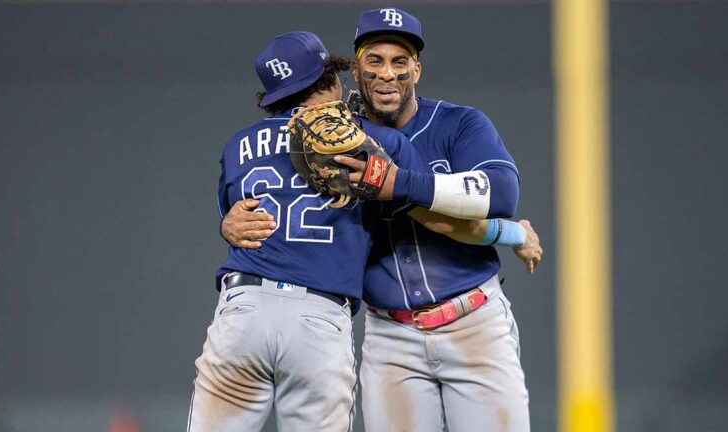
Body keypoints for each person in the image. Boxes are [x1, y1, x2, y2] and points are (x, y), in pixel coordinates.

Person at [220, 9, 543, 431]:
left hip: (474, 322)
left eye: (399, 61)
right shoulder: (328, 138)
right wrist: (229, 222)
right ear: (355, 69)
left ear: (417, 69)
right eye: (374, 61)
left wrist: (397, 183)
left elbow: (501, 193)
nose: (387, 74)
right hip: (392, 337)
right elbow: (273, 193)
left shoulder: (458, 122)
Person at [188, 31, 434, 432]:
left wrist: (225, 224)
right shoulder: (379, 142)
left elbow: (231, 221)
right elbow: (431, 211)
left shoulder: (237, 146)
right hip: (318, 318)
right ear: (333, 79)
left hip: (242, 310)